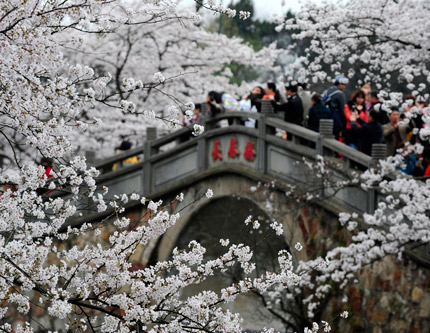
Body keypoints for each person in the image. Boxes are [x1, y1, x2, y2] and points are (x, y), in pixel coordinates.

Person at [322, 75, 348, 140]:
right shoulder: (340, 94)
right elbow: (342, 110)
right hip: (334, 118)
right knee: (334, 137)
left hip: (324, 117)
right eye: (343, 84)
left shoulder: (326, 91)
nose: (345, 86)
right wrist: (344, 122)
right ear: (339, 84)